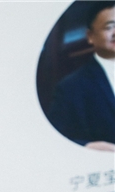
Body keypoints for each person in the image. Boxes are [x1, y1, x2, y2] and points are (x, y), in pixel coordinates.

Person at [48, 2, 115, 152]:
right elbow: (52, 139)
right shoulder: (70, 87)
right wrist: (87, 147)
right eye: (109, 27)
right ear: (90, 36)